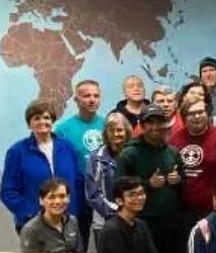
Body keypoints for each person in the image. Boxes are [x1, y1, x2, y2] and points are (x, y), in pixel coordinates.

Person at [114, 105, 185, 253]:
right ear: (142, 125)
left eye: (159, 122)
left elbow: (184, 183)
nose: (155, 127)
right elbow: (119, 187)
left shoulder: (173, 152)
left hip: (171, 224)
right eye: (150, 123)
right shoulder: (129, 153)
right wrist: (148, 184)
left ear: (165, 124)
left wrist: (178, 181)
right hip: (142, 224)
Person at [3, 99, 82, 233]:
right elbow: (8, 191)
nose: (42, 122)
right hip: (33, 224)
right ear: (29, 124)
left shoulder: (67, 148)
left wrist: (75, 211)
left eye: (46, 117)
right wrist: (30, 214)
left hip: (67, 222)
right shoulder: (17, 152)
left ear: (52, 121)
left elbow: (78, 182)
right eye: (36, 118)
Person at [170, 97, 216, 230]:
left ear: (207, 113)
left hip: (214, 210)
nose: (197, 116)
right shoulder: (175, 139)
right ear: (184, 117)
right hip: (183, 211)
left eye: (201, 112)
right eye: (192, 113)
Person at [55, 79, 104, 243]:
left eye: (96, 96)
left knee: (106, 243)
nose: (92, 100)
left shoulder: (108, 125)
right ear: (76, 100)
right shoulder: (63, 129)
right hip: (77, 193)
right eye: (87, 96)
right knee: (77, 242)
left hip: (103, 191)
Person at [85, 111, 132, 243]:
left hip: (133, 219)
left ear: (127, 131)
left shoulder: (134, 153)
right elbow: (92, 193)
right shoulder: (96, 157)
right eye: (111, 130)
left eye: (119, 130)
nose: (116, 134)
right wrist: (119, 212)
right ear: (106, 133)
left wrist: (129, 212)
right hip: (104, 222)